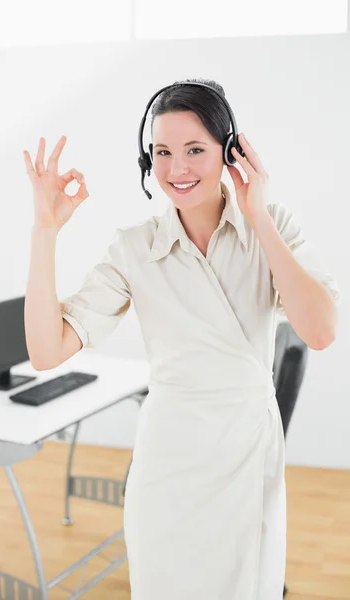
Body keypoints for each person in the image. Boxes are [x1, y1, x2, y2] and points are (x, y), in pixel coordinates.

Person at [23, 77, 342, 600]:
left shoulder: (272, 227)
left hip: (245, 451)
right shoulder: (135, 248)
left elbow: (321, 330)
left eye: (195, 149)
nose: (177, 169)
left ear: (230, 151)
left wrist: (258, 214)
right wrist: (45, 231)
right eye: (162, 152)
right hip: (167, 463)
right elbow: (45, 349)